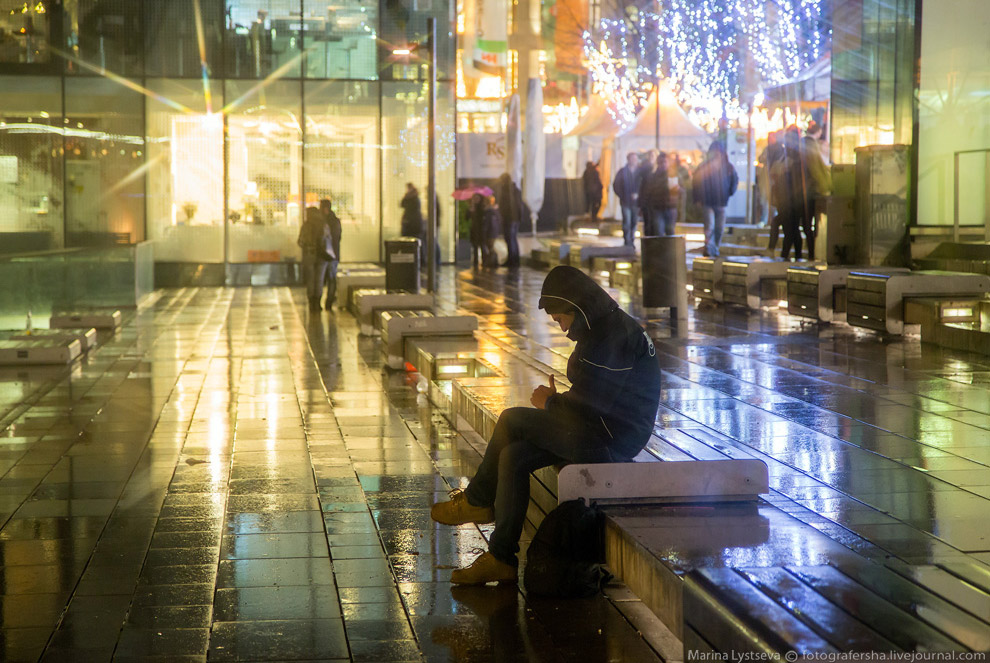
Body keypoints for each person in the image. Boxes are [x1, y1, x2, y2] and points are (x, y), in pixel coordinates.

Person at [430, 265, 663, 585]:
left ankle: (478, 501)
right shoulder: (603, 328)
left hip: (611, 441)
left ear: (576, 308)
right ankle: (501, 558)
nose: (562, 327)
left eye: (560, 318)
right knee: (513, 457)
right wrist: (559, 401)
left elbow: (595, 405)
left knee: (512, 419)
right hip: (601, 430)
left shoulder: (612, 336)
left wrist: (551, 403)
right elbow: (597, 396)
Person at [692, 141, 738, 257]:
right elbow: (696, 182)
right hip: (707, 202)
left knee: (719, 228)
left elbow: (734, 180)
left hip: (721, 202)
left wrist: (729, 192)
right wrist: (698, 198)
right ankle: (709, 247)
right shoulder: (704, 166)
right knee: (709, 226)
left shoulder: (728, 167)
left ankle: (715, 248)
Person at [774, 127, 808, 261]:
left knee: (790, 229)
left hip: (790, 199)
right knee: (792, 229)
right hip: (789, 198)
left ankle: (786, 254)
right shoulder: (790, 156)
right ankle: (793, 254)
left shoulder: (795, 157)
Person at [801, 121, 832, 260]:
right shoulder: (817, 161)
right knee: (813, 226)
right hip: (817, 195)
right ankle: (812, 252)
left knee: (807, 226)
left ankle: (811, 252)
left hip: (806, 196)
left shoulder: (802, 162)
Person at [297, 206, 333, 312]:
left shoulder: (306, 226)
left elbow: (300, 241)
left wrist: (307, 246)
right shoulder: (324, 225)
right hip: (322, 256)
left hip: (309, 255)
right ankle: (317, 303)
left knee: (311, 280)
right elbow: (328, 239)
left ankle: (311, 303)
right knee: (319, 280)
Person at [643, 152, 677, 236]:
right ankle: (661, 249)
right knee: (658, 231)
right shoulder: (653, 176)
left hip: (671, 207)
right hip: (657, 208)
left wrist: (679, 189)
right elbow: (648, 192)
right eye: (661, 162)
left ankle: (669, 249)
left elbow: (682, 191)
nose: (664, 164)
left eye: (665, 162)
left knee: (670, 232)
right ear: (658, 163)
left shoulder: (674, 175)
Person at [494, 173, 521, 267]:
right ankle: (515, 260)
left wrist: (501, 213)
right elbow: (519, 205)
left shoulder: (506, 190)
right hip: (515, 218)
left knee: (509, 239)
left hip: (509, 218)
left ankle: (511, 260)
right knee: (513, 239)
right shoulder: (516, 190)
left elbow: (504, 205)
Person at [612, 152, 639, 246]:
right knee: (627, 221)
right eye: (633, 158)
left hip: (636, 202)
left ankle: (631, 239)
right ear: (629, 159)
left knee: (634, 222)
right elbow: (616, 185)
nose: (634, 161)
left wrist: (639, 195)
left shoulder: (639, 172)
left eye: (635, 159)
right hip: (625, 201)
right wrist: (622, 195)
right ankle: (627, 241)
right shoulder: (623, 172)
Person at [319, 198, 342, 309]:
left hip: (324, 255)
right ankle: (329, 301)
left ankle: (321, 302)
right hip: (334, 254)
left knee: (321, 278)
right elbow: (339, 238)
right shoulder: (336, 221)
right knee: (332, 278)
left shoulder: (322, 221)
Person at [481, 196, 502, 269]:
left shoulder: (488, 212)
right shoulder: (495, 211)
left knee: (490, 247)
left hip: (490, 232)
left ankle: (493, 262)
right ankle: (493, 262)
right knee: (491, 247)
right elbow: (499, 221)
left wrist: (484, 231)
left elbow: (486, 223)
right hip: (494, 232)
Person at [468, 193, 485, 269]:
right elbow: (467, 217)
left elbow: (482, 218)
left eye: (477, 198)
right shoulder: (472, 208)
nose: (476, 200)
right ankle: (475, 262)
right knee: (475, 247)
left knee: (482, 246)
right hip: (474, 230)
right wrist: (470, 211)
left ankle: (484, 261)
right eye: (475, 198)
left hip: (481, 230)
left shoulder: (482, 208)